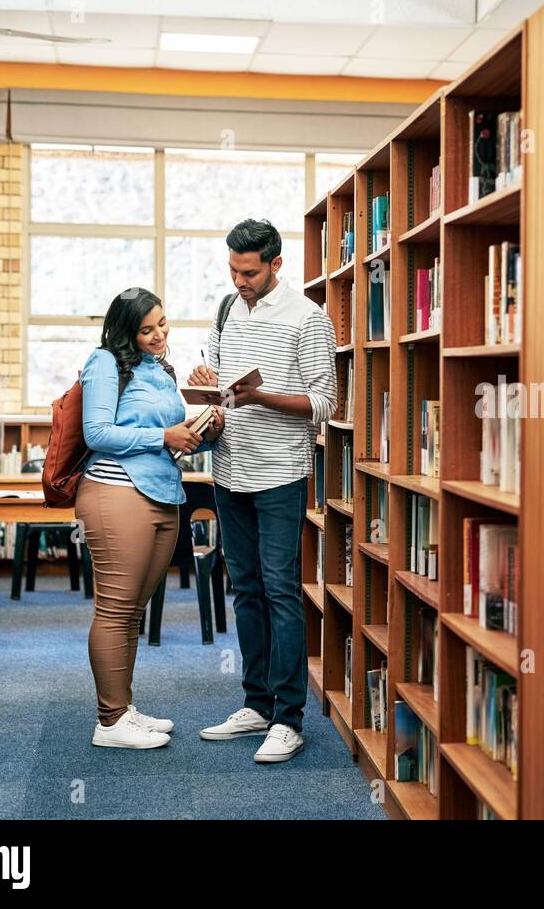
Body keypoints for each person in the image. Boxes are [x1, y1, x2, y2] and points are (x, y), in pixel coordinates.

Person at [191, 219, 338, 763]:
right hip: (229, 469)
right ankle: (256, 703)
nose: (238, 280)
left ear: (276, 264)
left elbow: (325, 404)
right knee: (246, 588)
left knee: (281, 590)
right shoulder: (227, 310)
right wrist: (209, 384)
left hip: (280, 473)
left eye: (248, 271)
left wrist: (262, 398)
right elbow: (222, 389)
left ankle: (289, 717)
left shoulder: (309, 319)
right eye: (231, 269)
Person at [78, 287, 224, 749]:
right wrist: (164, 435)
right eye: (146, 329)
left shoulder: (160, 369)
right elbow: (97, 432)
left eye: (162, 323)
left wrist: (206, 429)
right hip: (117, 492)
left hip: (162, 492)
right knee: (116, 609)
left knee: (133, 612)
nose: (159, 334)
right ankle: (109, 722)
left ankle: (122, 708)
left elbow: (172, 437)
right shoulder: (104, 362)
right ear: (126, 332)